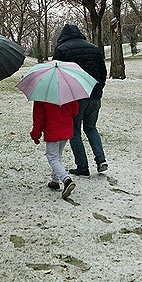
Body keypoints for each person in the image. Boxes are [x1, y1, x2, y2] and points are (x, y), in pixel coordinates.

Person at [53, 23, 108, 176]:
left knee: (74, 132)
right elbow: (103, 72)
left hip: (75, 96)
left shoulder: (62, 50)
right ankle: (101, 159)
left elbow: (57, 74)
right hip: (95, 94)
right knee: (91, 128)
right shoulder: (94, 48)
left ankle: (82, 167)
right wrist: (99, 88)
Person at [30, 100, 79, 199]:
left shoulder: (42, 96)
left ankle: (66, 180)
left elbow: (38, 116)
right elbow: (75, 111)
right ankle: (55, 181)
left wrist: (36, 133)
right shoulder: (67, 92)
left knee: (52, 157)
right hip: (66, 128)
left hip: (52, 129)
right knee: (58, 156)